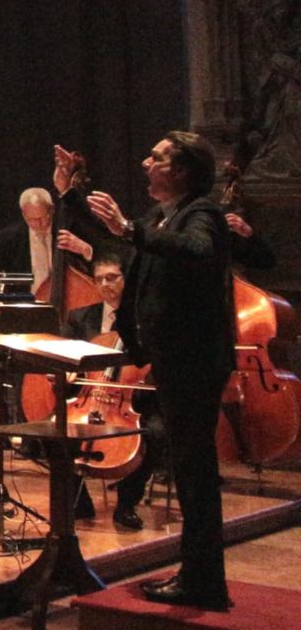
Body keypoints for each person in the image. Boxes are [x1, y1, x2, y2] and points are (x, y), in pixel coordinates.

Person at [86, 132, 234, 610]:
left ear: (183, 171)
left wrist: (129, 228)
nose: (146, 162)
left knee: (195, 472)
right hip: (171, 359)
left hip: (193, 362)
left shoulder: (201, 214)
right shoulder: (161, 216)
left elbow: (195, 251)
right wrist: (73, 191)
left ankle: (203, 580)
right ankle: (197, 573)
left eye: (158, 157)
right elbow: (117, 241)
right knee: (191, 470)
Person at [57, 250, 150, 531]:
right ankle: (79, 500)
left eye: (113, 277)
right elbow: (62, 352)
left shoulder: (145, 318)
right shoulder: (80, 317)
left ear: (126, 278)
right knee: (53, 431)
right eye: (100, 280)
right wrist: (67, 367)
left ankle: (126, 503)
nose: (106, 285)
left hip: (133, 402)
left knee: (156, 433)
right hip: (88, 397)